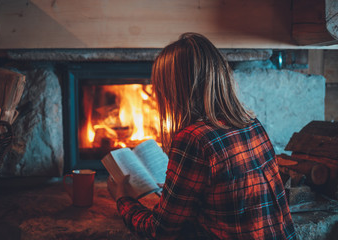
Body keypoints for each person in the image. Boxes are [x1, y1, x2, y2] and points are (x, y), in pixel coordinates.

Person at [107, 32, 296, 240]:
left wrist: (123, 199)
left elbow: (160, 231)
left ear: (173, 89)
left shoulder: (193, 138)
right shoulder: (251, 124)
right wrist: (179, 193)